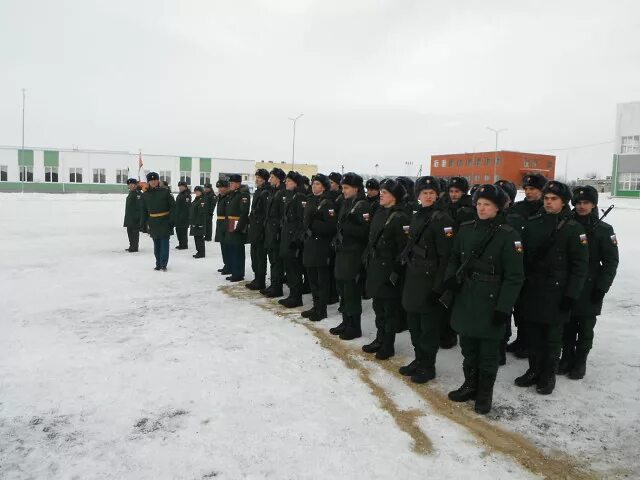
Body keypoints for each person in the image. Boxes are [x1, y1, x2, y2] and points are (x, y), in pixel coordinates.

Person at [445, 184, 524, 414]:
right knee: (468, 347)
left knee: (488, 353)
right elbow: (453, 257)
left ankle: (484, 394)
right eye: (479, 204)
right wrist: (451, 278)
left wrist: (504, 307)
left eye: (487, 205)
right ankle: (470, 385)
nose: (481, 208)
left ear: (498, 208)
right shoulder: (466, 229)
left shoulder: (508, 235)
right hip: (466, 296)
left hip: (491, 300)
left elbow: (514, 277)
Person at [515, 180, 588, 395]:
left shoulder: (574, 228)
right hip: (533, 289)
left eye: (553, 199)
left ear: (564, 202)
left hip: (557, 292)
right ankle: (533, 370)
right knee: (532, 333)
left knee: (553, 337)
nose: (548, 202)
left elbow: (580, 266)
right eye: (546, 198)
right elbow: (523, 257)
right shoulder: (532, 223)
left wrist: (571, 295)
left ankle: (548, 375)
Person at [559, 186, 618, 379]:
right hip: (567, 282)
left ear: (593, 205)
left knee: (585, 327)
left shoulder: (604, 230)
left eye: (586, 202)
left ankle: (580, 361)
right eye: (578, 203)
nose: (581, 206)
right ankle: (566, 357)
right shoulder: (565, 224)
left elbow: (610, 262)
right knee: (566, 324)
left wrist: (602, 287)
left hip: (590, 285)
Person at [400, 176, 455, 383]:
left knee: (428, 328)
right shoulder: (417, 215)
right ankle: (418, 359)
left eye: (432, 193)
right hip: (414, 276)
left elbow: (446, 257)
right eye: (425, 193)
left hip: (430, 279)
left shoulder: (443, 219)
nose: (429, 196)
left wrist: (438, 287)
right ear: (418, 195)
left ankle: (427, 365)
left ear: (438, 194)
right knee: (414, 323)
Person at [363, 179, 410, 360]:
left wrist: (396, 272)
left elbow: (404, 249)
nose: (381, 194)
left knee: (389, 311)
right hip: (376, 268)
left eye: (386, 192)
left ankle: (388, 345)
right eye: (381, 191)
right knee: (378, 308)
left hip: (389, 271)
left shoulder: (401, 217)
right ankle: (379, 338)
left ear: (395, 197)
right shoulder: (379, 212)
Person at [507, 173, 548, 358]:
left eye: (534, 189)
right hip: (518, 261)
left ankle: (531, 342)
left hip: (538, 265)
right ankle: (521, 339)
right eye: (528, 188)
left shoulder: (546, 210)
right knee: (519, 305)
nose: (529, 192)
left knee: (533, 307)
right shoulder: (517, 208)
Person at [331, 172, 370, 339]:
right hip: (342, 252)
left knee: (352, 291)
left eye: (346, 188)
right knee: (343, 289)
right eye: (343, 187)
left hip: (354, 255)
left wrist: (350, 228)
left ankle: (355, 326)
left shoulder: (363, 206)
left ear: (356, 188)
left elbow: (365, 233)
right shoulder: (347, 203)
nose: (343, 191)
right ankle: (346, 321)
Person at [301, 174, 337, 321]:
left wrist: (314, 223)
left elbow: (331, 227)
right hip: (310, 243)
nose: (314, 186)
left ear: (323, 186)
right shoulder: (310, 200)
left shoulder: (328, 203)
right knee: (312, 279)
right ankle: (316, 306)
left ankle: (321, 309)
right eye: (313, 183)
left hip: (321, 245)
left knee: (321, 280)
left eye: (317, 184)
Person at [279, 171, 307, 308]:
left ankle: (296, 297)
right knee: (289, 268)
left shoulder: (300, 197)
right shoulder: (291, 195)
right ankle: (292, 295)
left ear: (295, 183)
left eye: (289, 181)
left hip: (293, 239)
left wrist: (296, 239)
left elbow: (302, 221)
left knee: (294, 269)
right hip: (287, 236)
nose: (286, 183)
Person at [140, 172, 176, 271]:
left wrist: (171, 221)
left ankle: (163, 263)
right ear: (148, 182)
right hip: (153, 222)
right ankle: (158, 263)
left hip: (165, 221)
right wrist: (144, 224)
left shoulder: (165, 192)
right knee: (156, 245)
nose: (153, 182)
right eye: (151, 181)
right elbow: (143, 210)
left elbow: (173, 207)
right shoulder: (145, 195)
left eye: (155, 180)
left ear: (158, 181)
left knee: (164, 244)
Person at [261, 168, 287, 298]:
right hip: (270, 229)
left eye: (272, 177)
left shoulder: (282, 192)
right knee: (272, 259)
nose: (270, 179)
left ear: (278, 178)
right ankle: (273, 285)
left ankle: (277, 288)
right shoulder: (274, 191)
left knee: (277, 261)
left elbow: (282, 214)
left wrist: (278, 231)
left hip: (276, 230)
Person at [246, 169, 271, 291]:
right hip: (255, 228)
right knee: (254, 255)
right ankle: (257, 278)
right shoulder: (259, 191)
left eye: (259, 178)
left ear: (265, 179)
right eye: (256, 177)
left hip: (260, 228)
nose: (257, 179)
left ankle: (260, 280)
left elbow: (265, 213)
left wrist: (261, 229)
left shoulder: (266, 192)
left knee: (260, 256)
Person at [223, 174, 250, 282]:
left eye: (232, 183)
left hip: (237, 223)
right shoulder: (233, 194)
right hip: (231, 223)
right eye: (230, 183)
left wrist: (239, 227)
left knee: (238, 250)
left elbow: (244, 212)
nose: (231, 185)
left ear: (238, 184)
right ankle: (235, 272)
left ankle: (238, 274)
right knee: (232, 249)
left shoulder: (243, 195)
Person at [215, 179, 231, 274]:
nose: (220, 189)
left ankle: (230, 265)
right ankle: (226, 264)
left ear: (226, 187)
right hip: (220, 222)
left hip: (226, 222)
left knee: (227, 246)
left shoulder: (228, 197)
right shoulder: (221, 197)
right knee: (223, 246)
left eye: (222, 187)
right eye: (219, 187)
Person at [123, 178, 142, 252]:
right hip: (129, 217)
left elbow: (139, 206)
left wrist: (137, 216)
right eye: (129, 184)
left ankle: (135, 247)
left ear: (135, 185)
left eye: (132, 184)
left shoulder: (138, 194)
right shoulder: (131, 192)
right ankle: (131, 246)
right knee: (129, 232)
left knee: (134, 233)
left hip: (135, 217)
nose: (131, 186)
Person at [190, 186, 207, 258]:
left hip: (199, 223)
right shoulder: (196, 199)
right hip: (194, 222)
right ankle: (199, 251)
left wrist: (198, 223)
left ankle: (201, 253)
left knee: (199, 238)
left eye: (198, 191)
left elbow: (201, 213)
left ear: (201, 192)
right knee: (196, 237)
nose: (196, 192)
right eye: (195, 191)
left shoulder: (202, 200)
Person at [174, 181, 192, 250]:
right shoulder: (181, 194)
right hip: (178, 216)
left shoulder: (187, 195)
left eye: (182, 186)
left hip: (184, 217)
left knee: (183, 231)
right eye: (179, 186)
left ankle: (184, 245)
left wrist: (183, 217)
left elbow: (187, 207)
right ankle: (181, 243)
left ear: (185, 187)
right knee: (178, 230)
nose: (180, 188)